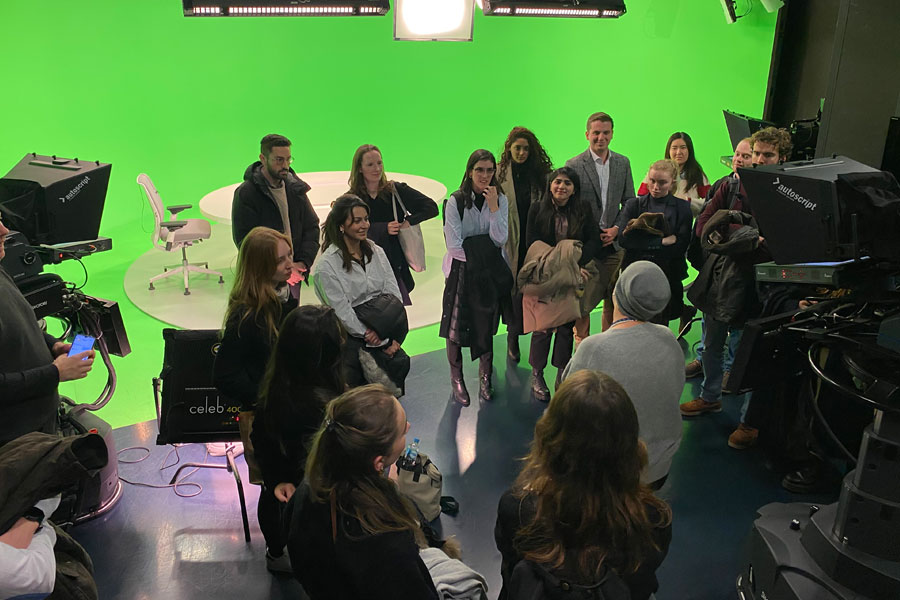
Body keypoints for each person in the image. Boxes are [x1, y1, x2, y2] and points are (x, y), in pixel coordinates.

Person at [494, 370, 672, 600]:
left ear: (548, 440)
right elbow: (640, 588)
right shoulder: (655, 520)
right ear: (630, 446)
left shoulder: (516, 508)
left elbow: (512, 577)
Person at [680, 127, 794, 451]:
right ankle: (709, 398)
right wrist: (749, 237)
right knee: (711, 344)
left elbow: (779, 246)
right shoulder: (730, 185)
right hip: (720, 280)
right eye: (756, 153)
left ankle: (748, 421)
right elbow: (704, 227)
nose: (758, 160)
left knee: (749, 356)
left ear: (782, 158)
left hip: (760, 288)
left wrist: (733, 234)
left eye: (767, 155)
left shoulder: (788, 195)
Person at [284, 384, 439, 599]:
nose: (408, 427)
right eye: (403, 430)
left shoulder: (309, 489)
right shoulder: (385, 536)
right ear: (379, 462)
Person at [212, 226, 296, 571]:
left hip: (290, 414)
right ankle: (277, 553)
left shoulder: (281, 297)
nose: (290, 264)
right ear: (261, 267)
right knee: (275, 487)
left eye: (289, 255)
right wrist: (267, 397)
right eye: (281, 260)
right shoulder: (246, 315)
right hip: (267, 420)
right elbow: (225, 376)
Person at [563, 261, 684, 487]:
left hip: (610, 473)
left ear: (619, 293)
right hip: (658, 467)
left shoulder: (593, 348)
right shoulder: (669, 339)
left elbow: (566, 405)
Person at [250, 305, 345, 574]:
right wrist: (277, 479)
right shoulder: (291, 401)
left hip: (311, 488)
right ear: (323, 355)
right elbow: (263, 439)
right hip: (297, 491)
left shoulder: (281, 384)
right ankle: (279, 553)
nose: (343, 341)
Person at [0, 217, 95, 446]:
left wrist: (52, 345)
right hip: (17, 446)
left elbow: (22, 323)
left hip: (42, 427)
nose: (4, 230)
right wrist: (54, 374)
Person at [312, 195, 408, 391]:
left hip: (384, 331)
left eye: (366, 219)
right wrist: (371, 335)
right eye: (357, 221)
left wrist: (390, 335)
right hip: (352, 345)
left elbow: (393, 293)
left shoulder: (376, 251)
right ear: (341, 225)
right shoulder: (326, 267)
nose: (364, 225)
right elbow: (342, 312)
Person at [439, 149, 511, 406]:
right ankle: (456, 376)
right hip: (461, 272)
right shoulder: (455, 201)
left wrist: (493, 210)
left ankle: (485, 376)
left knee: (486, 326)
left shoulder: (499, 199)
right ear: (470, 171)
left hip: (488, 273)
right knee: (455, 328)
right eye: (479, 169)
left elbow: (501, 239)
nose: (485, 175)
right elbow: (454, 246)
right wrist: (484, 251)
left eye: (490, 170)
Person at [524, 167, 602, 402]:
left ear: (574, 188)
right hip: (545, 275)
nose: (561, 187)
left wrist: (575, 263)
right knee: (542, 328)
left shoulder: (583, 209)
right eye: (558, 182)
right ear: (550, 185)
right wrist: (563, 265)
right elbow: (532, 242)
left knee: (566, 328)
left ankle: (562, 373)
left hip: (572, 278)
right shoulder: (537, 209)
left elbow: (593, 241)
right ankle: (537, 374)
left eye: (567, 183)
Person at [684, 138, 753, 384]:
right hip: (716, 265)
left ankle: (730, 370)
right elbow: (704, 222)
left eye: (746, 156)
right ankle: (703, 361)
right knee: (709, 316)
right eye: (737, 154)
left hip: (744, 270)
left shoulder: (759, 191)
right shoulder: (723, 185)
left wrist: (726, 232)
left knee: (738, 324)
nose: (739, 160)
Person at [565, 112, 636, 338]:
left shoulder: (623, 163)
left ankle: (608, 344)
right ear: (587, 134)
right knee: (582, 301)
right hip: (587, 246)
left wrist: (616, 229)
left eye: (606, 133)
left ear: (612, 134)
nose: (601, 137)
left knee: (612, 298)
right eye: (596, 133)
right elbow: (571, 208)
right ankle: (582, 349)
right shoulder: (574, 165)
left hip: (614, 245)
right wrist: (592, 234)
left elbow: (630, 201)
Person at [348, 144, 439, 305]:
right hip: (366, 264)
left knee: (395, 310)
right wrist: (383, 228)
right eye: (370, 164)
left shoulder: (395, 190)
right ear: (360, 168)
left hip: (394, 262)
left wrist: (409, 221)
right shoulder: (352, 198)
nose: (377, 168)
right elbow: (345, 229)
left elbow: (431, 207)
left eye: (379, 163)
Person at [232, 133, 320, 295]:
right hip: (263, 278)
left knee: (291, 319)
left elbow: (311, 227)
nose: (285, 165)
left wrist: (301, 263)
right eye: (279, 160)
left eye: (288, 159)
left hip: (294, 274)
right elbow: (245, 241)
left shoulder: (295, 188)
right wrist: (277, 268)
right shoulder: (247, 193)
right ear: (263, 158)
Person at [496, 127, 553, 363]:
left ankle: (534, 339)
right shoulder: (498, 175)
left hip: (534, 243)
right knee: (512, 293)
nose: (521, 152)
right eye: (517, 148)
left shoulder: (540, 175)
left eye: (526, 148)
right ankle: (513, 336)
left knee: (534, 291)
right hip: (509, 243)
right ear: (509, 149)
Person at [617, 160, 692, 326]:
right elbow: (623, 240)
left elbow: (680, 246)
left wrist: (641, 241)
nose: (655, 187)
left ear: (672, 181)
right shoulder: (633, 205)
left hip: (667, 273)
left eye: (662, 182)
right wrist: (661, 241)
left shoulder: (682, 208)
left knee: (660, 325)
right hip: (635, 274)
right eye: (652, 181)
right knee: (632, 322)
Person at [638, 132, 710, 217]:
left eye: (683, 148)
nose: (678, 152)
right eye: (674, 148)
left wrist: (687, 201)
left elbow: (710, 203)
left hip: (683, 222)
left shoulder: (697, 175)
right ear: (669, 150)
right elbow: (640, 199)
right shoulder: (656, 172)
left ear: (689, 150)